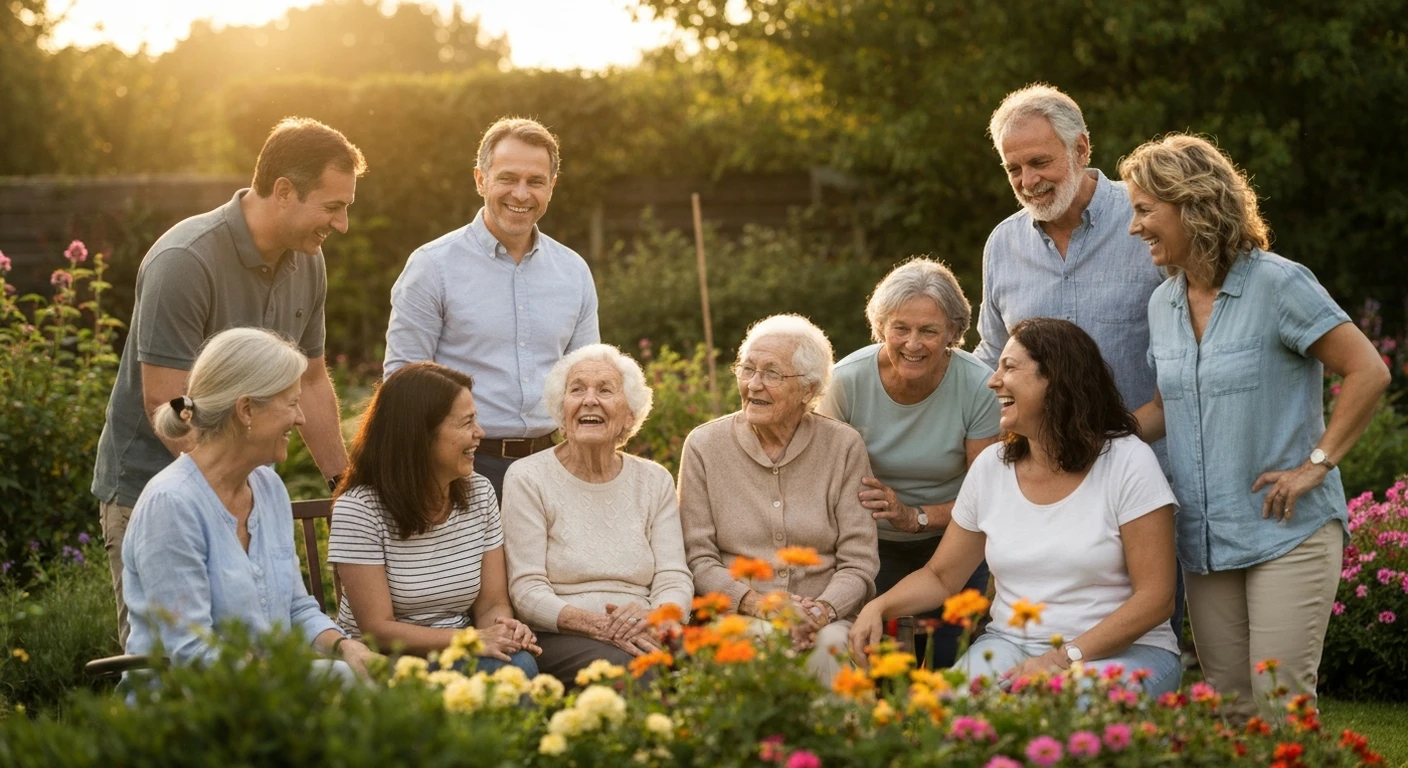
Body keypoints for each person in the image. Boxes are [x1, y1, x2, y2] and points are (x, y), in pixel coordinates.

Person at [1122, 134, 1390, 721]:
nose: (1134, 227)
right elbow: (1172, 403)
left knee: (1280, 708)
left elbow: (1368, 370)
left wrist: (1314, 466)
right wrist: (1094, 436)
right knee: (1232, 712)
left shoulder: (1278, 283)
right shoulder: (1162, 304)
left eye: (1145, 210)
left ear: (1192, 204)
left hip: (1285, 531)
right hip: (1207, 543)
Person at [93, 117, 365, 645]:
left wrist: (342, 487)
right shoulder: (185, 260)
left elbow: (310, 380)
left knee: (258, 646)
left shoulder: (309, 263)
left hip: (242, 485)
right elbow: (166, 399)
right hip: (155, 486)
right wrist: (217, 492)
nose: (343, 223)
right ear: (284, 191)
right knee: (176, 663)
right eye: (333, 207)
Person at [851, 319, 1183, 697]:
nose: (993, 381)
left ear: (1056, 379)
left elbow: (1156, 599)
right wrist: (878, 607)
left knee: (1065, 716)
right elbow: (942, 577)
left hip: (1125, 653)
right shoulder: (993, 467)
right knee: (947, 714)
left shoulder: (1127, 461)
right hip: (1009, 647)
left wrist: (1062, 659)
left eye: (1009, 367)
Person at [122, 328, 376, 678]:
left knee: (365, 681)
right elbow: (191, 653)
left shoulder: (268, 487)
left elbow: (296, 609)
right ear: (246, 410)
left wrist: (347, 646)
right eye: (291, 403)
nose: (300, 417)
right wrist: (288, 684)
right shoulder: (172, 505)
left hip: (264, 694)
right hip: (187, 707)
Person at [384, 117, 599, 501]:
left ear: (552, 186)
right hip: (459, 470)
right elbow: (402, 382)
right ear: (481, 180)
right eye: (507, 178)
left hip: (554, 467)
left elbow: (588, 378)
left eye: (536, 181)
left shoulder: (574, 271)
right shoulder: (432, 266)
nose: (521, 193)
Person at [679, 315, 880, 685]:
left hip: (827, 618)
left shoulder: (843, 446)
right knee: (751, 646)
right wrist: (758, 604)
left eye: (772, 373)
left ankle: (836, 744)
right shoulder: (704, 446)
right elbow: (698, 558)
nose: (754, 384)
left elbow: (860, 562)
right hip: (741, 615)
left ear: (808, 389)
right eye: (747, 369)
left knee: (831, 651)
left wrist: (820, 611)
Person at [818, 259, 999, 666]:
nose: (912, 344)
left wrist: (914, 517)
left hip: (955, 539)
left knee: (945, 662)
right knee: (876, 666)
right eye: (900, 328)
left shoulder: (977, 385)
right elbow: (823, 480)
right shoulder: (847, 381)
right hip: (869, 544)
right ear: (881, 326)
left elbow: (986, 495)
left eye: (929, 331)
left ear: (953, 332)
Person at [327, 362, 539, 677]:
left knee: (516, 663)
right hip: (386, 661)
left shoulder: (479, 492)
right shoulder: (359, 510)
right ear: (421, 434)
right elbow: (377, 629)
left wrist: (503, 631)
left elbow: (491, 603)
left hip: (460, 652)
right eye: (467, 423)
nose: (479, 434)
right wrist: (471, 640)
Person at [502, 344, 691, 685]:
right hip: (560, 634)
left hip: (647, 628)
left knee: (721, 661)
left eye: (605, 390)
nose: (589, 400)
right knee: (637, 673)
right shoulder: (527, 477)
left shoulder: (653, 479)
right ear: (562, 411)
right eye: (577, 390)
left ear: (630, 414)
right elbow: (526, 590)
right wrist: (601, 627)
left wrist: (655, 617)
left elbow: (673, 578)